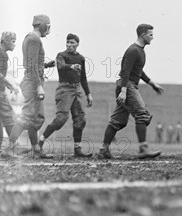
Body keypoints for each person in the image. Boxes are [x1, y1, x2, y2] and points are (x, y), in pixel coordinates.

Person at [98, 24, 164, 159]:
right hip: (127, 86)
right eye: (150, 35)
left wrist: (152, 84)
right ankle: (143, 149)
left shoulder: (140, 51)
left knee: (118, 121)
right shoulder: (133, 50)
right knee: (142, 114)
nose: (153, 37)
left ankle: (104, 149)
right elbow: (125, 72)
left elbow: (138, 71)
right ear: (143, 35)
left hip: (128, 86)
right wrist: (123, 91)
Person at [38, 33, 94, 157]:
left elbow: (83, 77)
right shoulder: (61, 55)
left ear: (77, 44)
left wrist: (88, 94)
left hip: (77, 89)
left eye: (72, 43)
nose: (69, 45)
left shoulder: (81, 58)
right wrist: (71, 66)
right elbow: (60, 66)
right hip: (64, 88)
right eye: (67, 42)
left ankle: (77, 149)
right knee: (61, 119)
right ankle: (40, 142)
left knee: (80, 119)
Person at [8, 15, 55, 158]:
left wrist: (46, 65)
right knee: (29, 116)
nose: (48, 28)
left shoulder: (30, 38)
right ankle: (10, 147)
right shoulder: (34, 39)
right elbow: (31, 65)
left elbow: (32, 63)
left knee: (35, 117)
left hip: (32, 80)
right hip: (33, 82)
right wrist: (39, 85)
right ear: (40, 25)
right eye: (47, 25)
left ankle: (36, 150)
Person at [0, 32, 18, 157]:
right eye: (13, 41)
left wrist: (7, 85)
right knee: (9, 118)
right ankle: (11, 148)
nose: (15, 44)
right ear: (5, 41)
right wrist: (11, 85)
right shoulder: (0, 54)